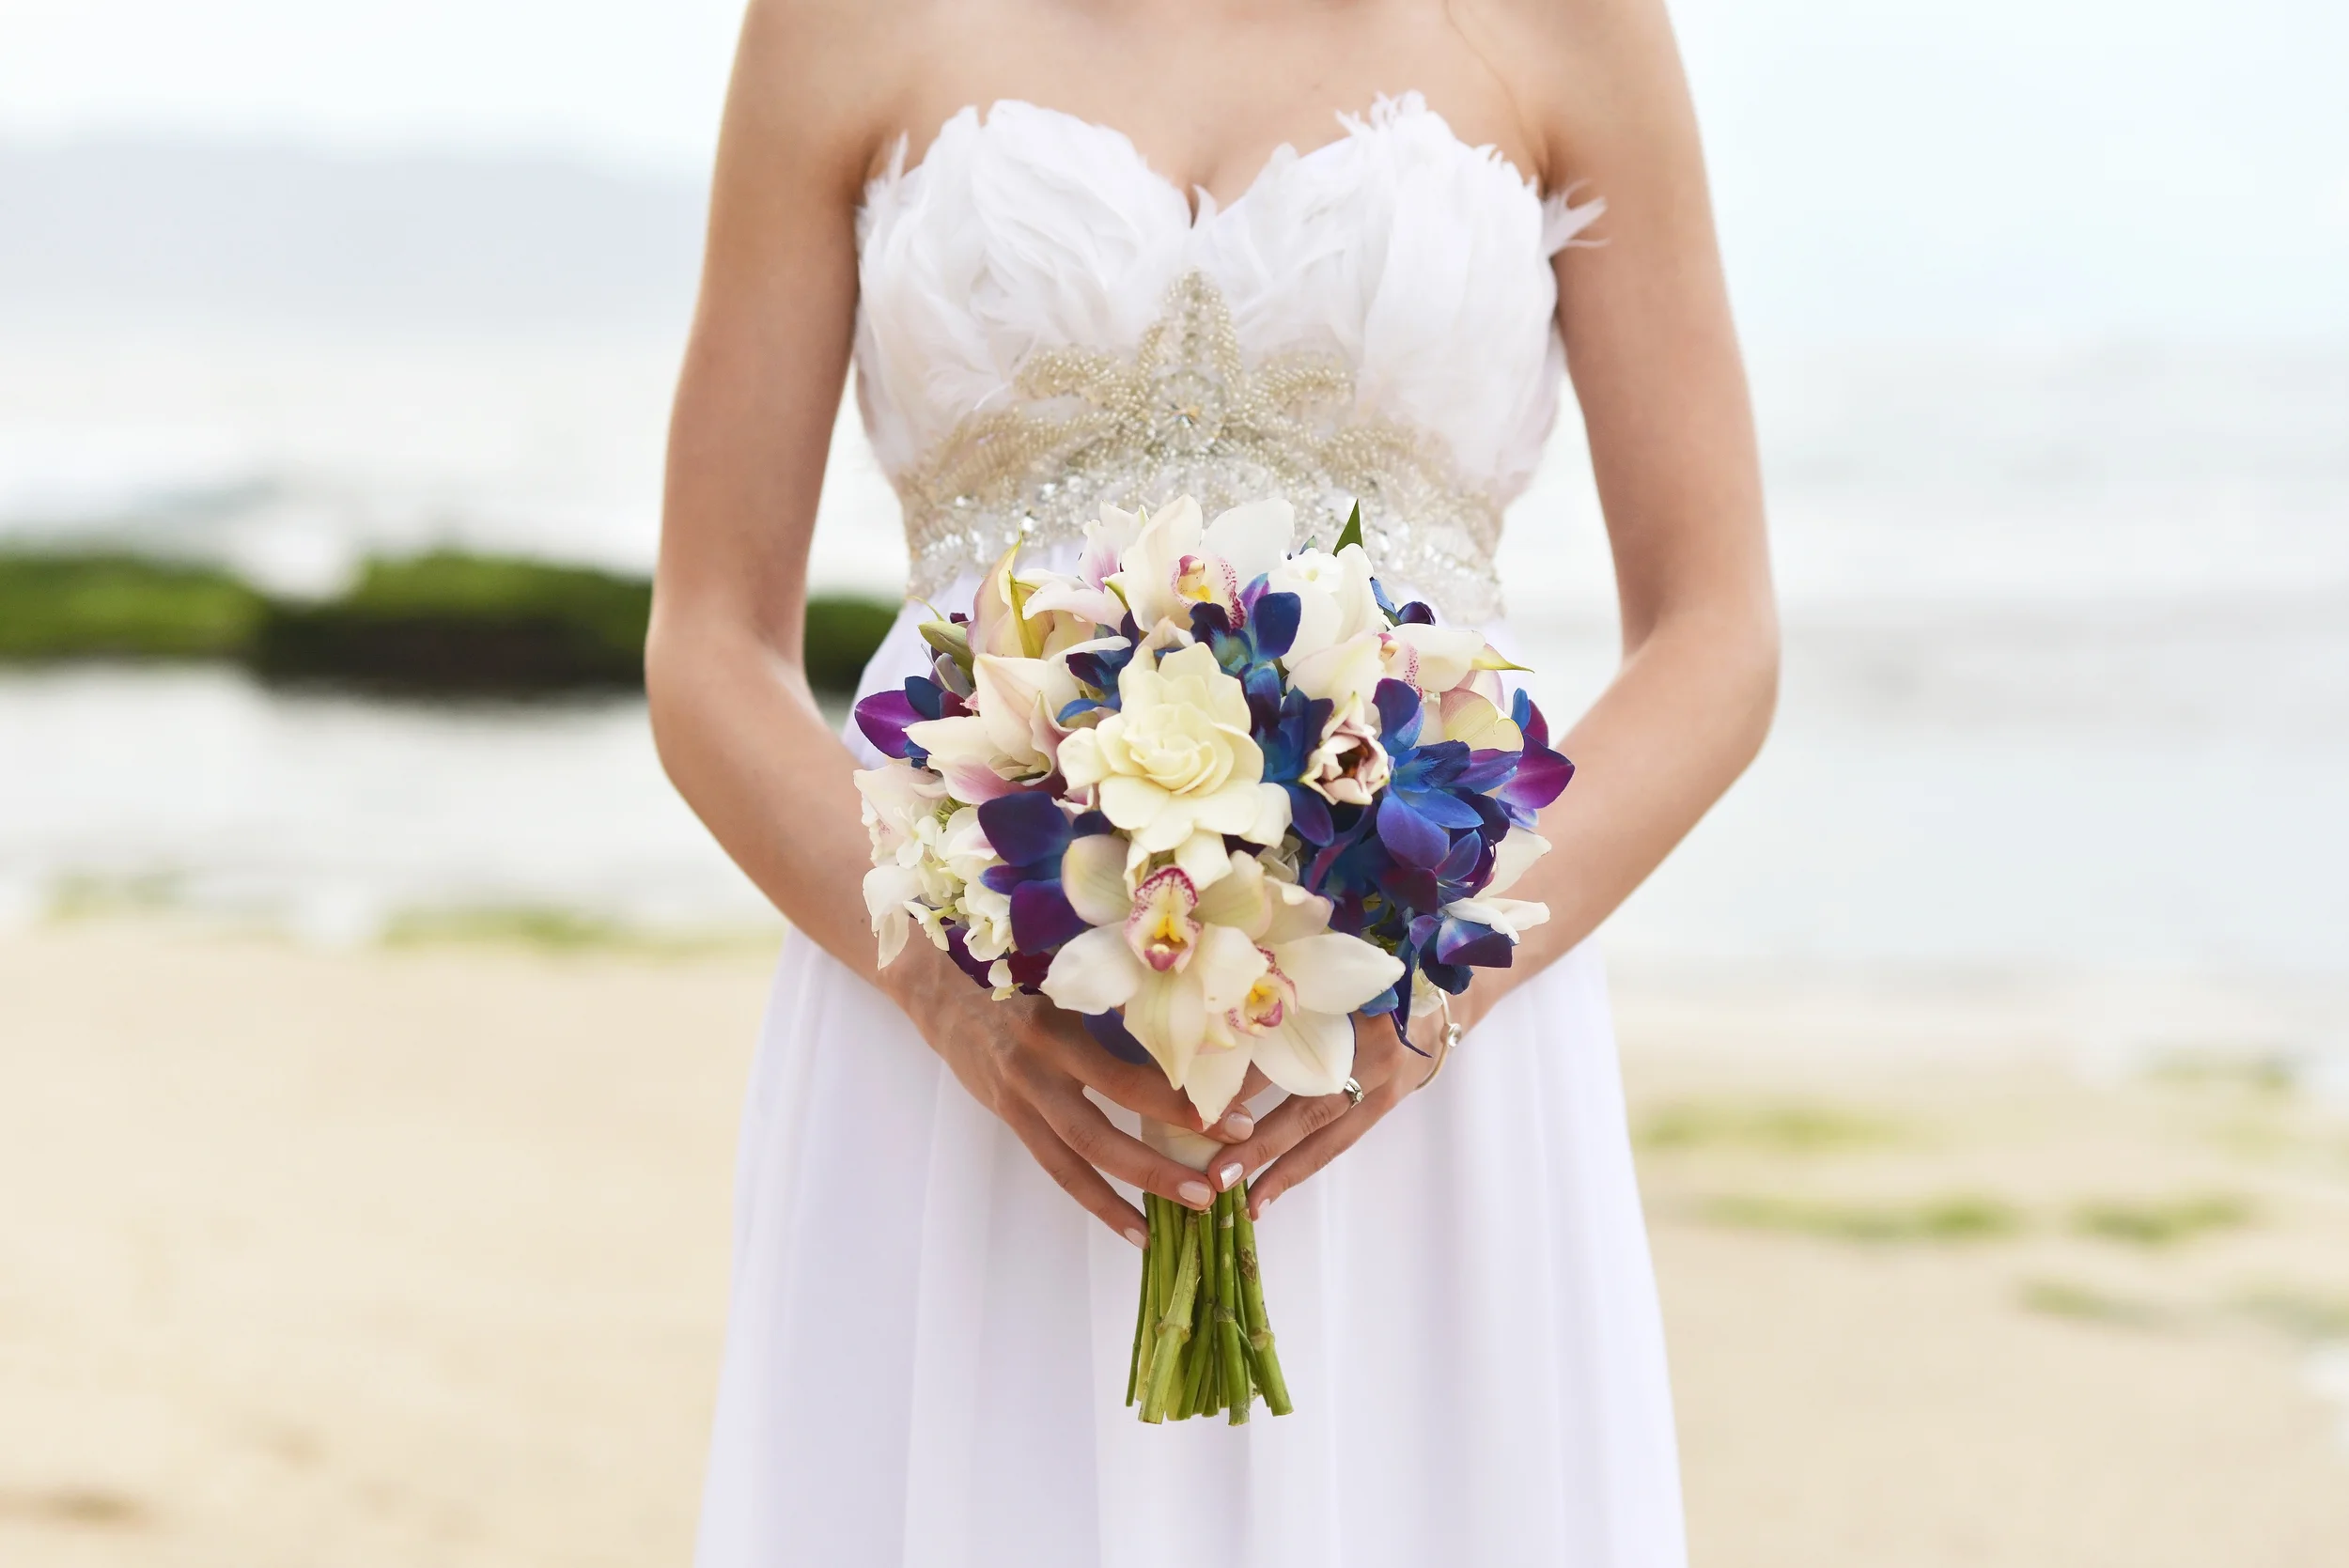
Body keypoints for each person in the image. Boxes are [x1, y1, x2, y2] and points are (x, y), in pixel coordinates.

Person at [648, 0, 1775, 1560]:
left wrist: (1440, 987)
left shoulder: (1570, 24)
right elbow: (708, 642)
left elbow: (1720, 638)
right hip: (973, 1020)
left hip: (1423, 1021)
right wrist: (938, 986)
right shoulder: (839, 23)